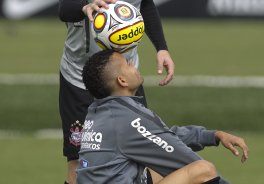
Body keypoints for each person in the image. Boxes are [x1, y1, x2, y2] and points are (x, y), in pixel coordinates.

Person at [78, 49, 249, 184]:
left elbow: (159, 136)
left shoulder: (97, 112)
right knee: (203, 170)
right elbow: (184, 159)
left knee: (154, 171)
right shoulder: (129, 119)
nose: (133, 64)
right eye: (128, 64)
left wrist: (212, 135)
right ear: (122, 81)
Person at [58, 0, 175, 183]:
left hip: (125, 81)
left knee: (143, 160)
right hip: (79, 80)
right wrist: (85, 6)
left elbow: (145, 4)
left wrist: (161, 47)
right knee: (79, 165)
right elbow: (64, 9)